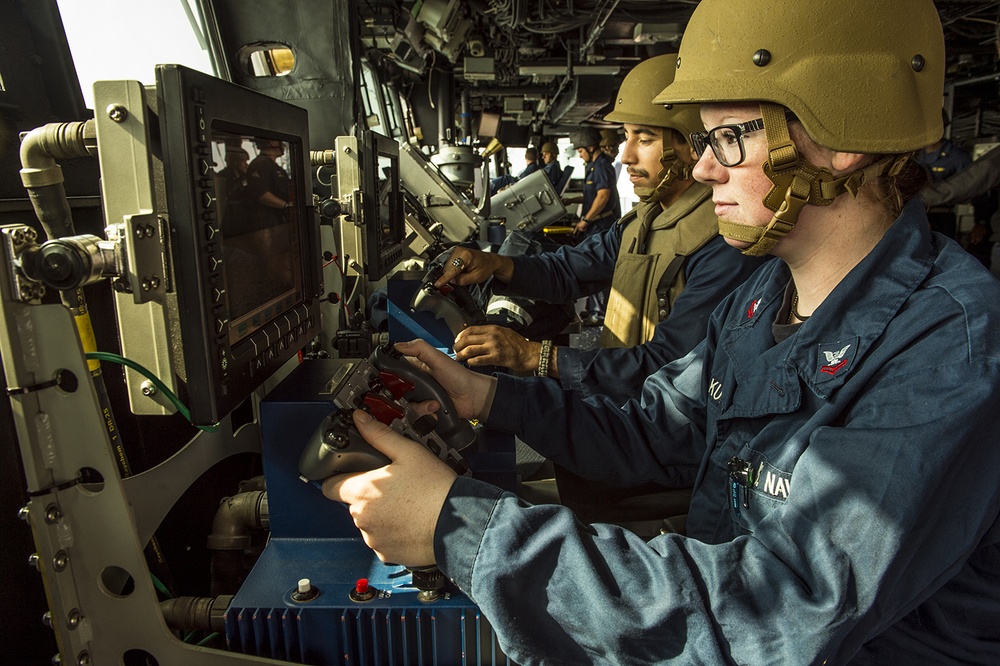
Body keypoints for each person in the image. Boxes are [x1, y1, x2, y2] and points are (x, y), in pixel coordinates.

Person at [325, 1, 1000, 663]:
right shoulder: (767, 292)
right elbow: (659, 428)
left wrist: (459, 529)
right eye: (703, 141)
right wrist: (488, 397)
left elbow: (782, 613)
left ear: (843, 139)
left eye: (730, 137)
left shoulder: (949, 350)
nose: (705, 169)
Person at [441, 54, 766, 405]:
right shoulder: (644, 220)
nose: (625, 156)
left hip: (672, 426)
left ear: (691, 146)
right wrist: (495, 265)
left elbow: (670, 362)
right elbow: (569, 270)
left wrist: (533, 355)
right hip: (626, 405)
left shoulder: (722, 242)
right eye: (626, 136)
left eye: (644, 138)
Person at [562, 127, 621, 324]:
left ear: (590, 147)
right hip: (595, 225)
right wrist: (573, 200)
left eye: (580, 151)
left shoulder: (602, 166)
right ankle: (593, 309)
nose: (580, 155)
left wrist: (585, 220)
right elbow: (592, 194)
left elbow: (603, 196)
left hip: (600, 224)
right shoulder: (593, 166)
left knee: (599, 266)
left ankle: (601, 314)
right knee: (592, 265)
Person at [914, 113, 972, 238]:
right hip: (916, 214)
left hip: (942, 216)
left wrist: (981, 222)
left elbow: (971, 185)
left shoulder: (957, 157)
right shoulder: (915, 156)